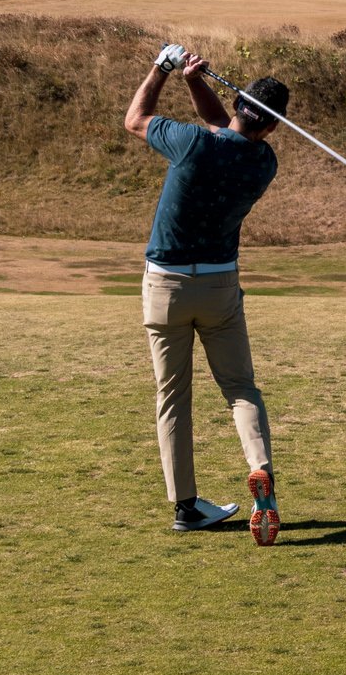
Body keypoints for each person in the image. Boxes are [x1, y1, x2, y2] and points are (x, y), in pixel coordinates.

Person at [123, 45, 288, 544]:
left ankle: (187, 506)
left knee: (173, 396)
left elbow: (136, 119)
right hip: (219, 286)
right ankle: (262, 476)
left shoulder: (191, 143)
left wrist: (162, 68)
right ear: (274, 126)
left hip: (165, 287)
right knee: (240, 388)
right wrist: (196, 81)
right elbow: (229, 132)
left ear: (239, 104)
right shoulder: (264, 162)